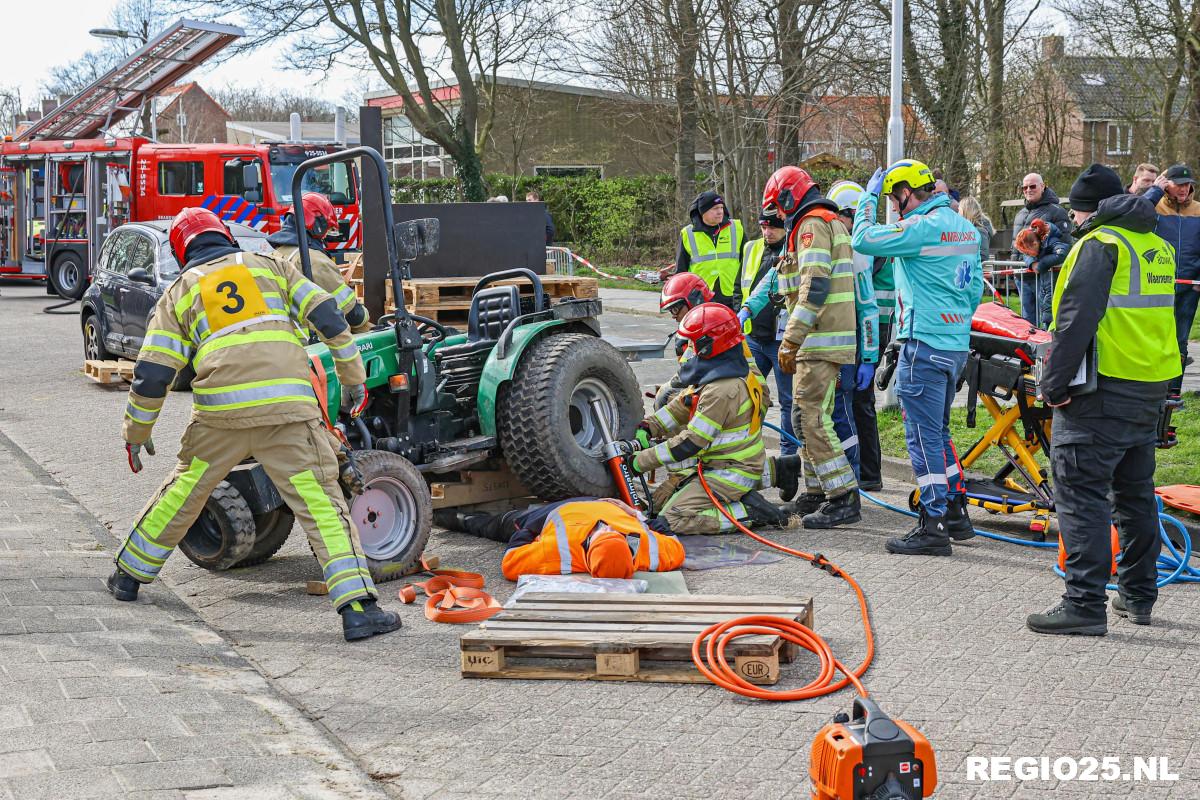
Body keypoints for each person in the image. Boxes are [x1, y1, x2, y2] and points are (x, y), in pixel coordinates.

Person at [106, 207, 400, 643]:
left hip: (220, 415)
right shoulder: (272, 268)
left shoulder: (180, 292)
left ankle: (128, 575)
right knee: (319, 502)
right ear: (224, 234)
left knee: (186, 488)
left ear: (181, 249)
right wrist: (353, 379)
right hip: (286, 412)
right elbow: (331, 319)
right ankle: (358, 610)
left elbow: (152, 373)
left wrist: (137, 433)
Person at [1025, 164, 1180, 636]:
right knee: (1133, 495)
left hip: (1102, 390)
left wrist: (1050, 385)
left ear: (1087, 210)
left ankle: (1084, 603)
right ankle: (1137, 596)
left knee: (1081, 492)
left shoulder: (1099, 246)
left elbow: (1074, 323)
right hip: (1149, 385)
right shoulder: (1156, 246)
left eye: (1074, 210)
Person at [852, 159, 983, 555]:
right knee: (939, 433)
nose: (894, 207)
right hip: (955, 344)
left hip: (923, 344)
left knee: (922, 438)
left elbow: (863, 239)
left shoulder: (919, 228)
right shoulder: (966, 227)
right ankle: (957, 514)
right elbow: (974, 289)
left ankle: (933, 524)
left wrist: (867, 198)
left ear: (908, 192)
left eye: (895, 198)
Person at [626, 302, 788, 534]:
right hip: (721, 465)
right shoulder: (720, 376)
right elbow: (681, 407)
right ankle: (743, 499)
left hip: (731, 472)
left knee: (670, 521)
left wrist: (639, 462)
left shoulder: (722, 390)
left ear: (709, 345)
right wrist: (649, 426)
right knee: (658, 504)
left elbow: (691, 442)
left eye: (694, 343)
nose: (689, 349)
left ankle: (748, 513)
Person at [762, 166, 861, 529]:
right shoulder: (825, 221)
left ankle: (843, 496)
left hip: (818, 339)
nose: (780, 216)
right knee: (803, 418)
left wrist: (791, 338)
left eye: (779, 207)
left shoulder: (811, 225)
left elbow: (814, 286)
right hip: (821, 338)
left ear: (789, 198)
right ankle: (818, 491)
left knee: (811, 418)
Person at [436, 498, 685, 579]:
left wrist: (529, 529)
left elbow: (511, 561)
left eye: (603, 536)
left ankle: (448, 517)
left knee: (495, 525)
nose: (609, 530)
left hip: (552, 513)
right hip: (605, 502)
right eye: (617, 535)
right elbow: (666, 531)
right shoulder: (645, 550)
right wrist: (638, 516)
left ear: (588, 553)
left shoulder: (561, 553)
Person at [827, 180, 880, 481]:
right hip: (839, 344)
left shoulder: (858, 251)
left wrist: (869, 358)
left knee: (848, 413)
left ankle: (856, 477)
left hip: (854, 345)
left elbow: (869, 308)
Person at [735, 210, 796, 456]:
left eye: (773, 227)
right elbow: (741, 286)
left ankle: (788, 453)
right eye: (763, 227)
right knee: (750, 398)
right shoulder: (752, 248)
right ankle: (748, 451)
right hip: (754, 337)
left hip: (781, 341)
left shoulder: (793, 251)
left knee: (788, 401)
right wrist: (740, 312)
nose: (767, 232)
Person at [268, 192, 370, 335]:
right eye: (327, 229)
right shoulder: (315, 261)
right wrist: (365, 317)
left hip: (285, 342)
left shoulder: (274, 257)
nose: (326, 236)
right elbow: (351, 314)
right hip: (312, 344)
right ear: (317, 225)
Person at [1142, 164, 1200, 403]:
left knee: (1180, 341)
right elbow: (1134, 211)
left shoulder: (1198, 210)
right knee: (1153, 338)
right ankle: (1152, 392)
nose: (1184, 189)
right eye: (1179, 184)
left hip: (1189, 288)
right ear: (1167, 185)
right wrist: (1153, 191)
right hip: (1158, 284)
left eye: (1187, 184)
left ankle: (1174, 394)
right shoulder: (1154, 206)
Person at [665, 191, 746, 308]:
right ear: (703, 212)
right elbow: (681, 272)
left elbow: (748, 261)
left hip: (733, 296)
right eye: (714, 208)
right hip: (700, 298)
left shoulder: (736, 228)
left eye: (721, 207)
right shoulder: (688, 234)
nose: (720, 212)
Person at [1012, 173, 1071, 328]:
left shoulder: (1057, 212)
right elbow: (1017, 247)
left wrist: (1040, 265)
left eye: (1032, 186)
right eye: (1024, 187)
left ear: (1043, 186)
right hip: (1022, 276)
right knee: (1027, 325)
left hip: (1044, 278)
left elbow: (1065, 246)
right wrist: (1017, 268)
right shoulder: (1020, 214)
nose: (1028, 190)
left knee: (1045, 324)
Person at [1013, 219, 1071, 329]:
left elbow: (1062, 253)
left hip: (1054, 284)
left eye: (1028, 252)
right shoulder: (1039, 245)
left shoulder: (1052, 241)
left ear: (1035, 243)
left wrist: (1041, 264)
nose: (1029, 255)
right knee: (1045, 309)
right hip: (1045, 284)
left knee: (1050, 315)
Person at [958, 196, 994, 267]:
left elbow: (983, 256)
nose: (958, 213)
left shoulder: (979, 231)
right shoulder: (969, 229)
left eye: (959, 210)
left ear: (966, 211)